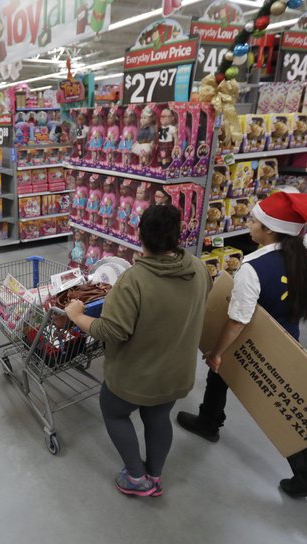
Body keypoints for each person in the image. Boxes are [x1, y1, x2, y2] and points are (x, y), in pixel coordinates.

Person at [177, 190, 307, 498]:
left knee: (274, 407)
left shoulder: (253, 268)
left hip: (255, 342)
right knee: (262, 394)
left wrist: (216, 352)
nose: (249, 224)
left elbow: (237, 321)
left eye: (254, 220)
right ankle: (209, 420)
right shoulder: (297, 257)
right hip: (285, 339)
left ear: (270, 229)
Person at [65, 203, 212, 497]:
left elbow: (111, 331)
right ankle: (154, 476)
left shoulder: (134, 280)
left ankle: (135, 477)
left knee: (114, 412)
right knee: (158, 417)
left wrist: (77, 315)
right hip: (175, 374)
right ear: (177, 235)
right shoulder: (197, 268)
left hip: (135, 377)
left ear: (139, 234)